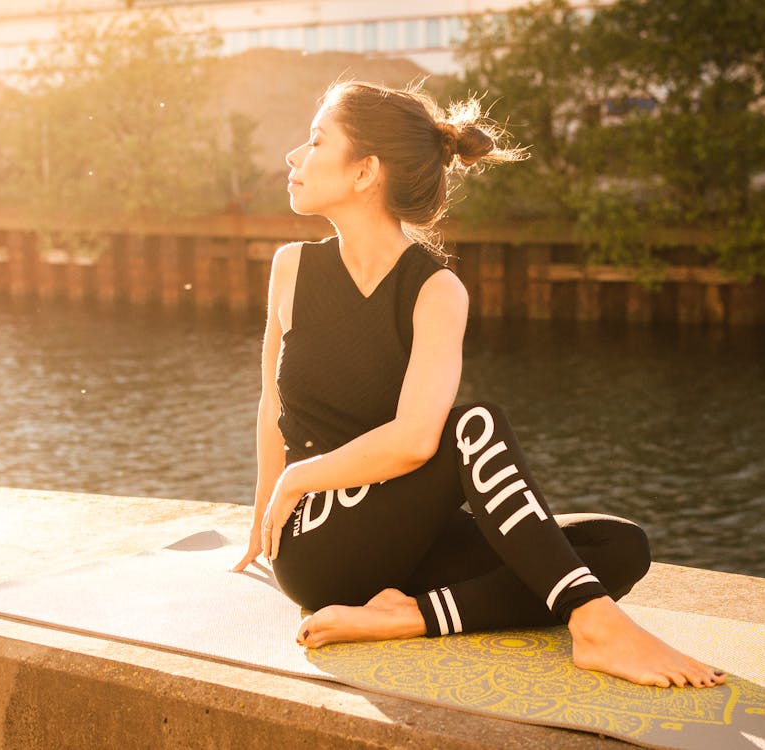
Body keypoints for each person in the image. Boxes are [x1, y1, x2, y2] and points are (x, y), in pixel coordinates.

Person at [232, 80, 726, 689]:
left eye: (314, 141)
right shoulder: (293, 268)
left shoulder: (436, 291)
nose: (294, 157)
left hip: (405, 541)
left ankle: (408, 616)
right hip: (320, 543)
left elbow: (413, 442)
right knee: (476, 425)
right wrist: (265, 517)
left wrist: (293, 477)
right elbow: (271, 405)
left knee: (618, 548)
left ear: (365, 173)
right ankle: (595, 627)